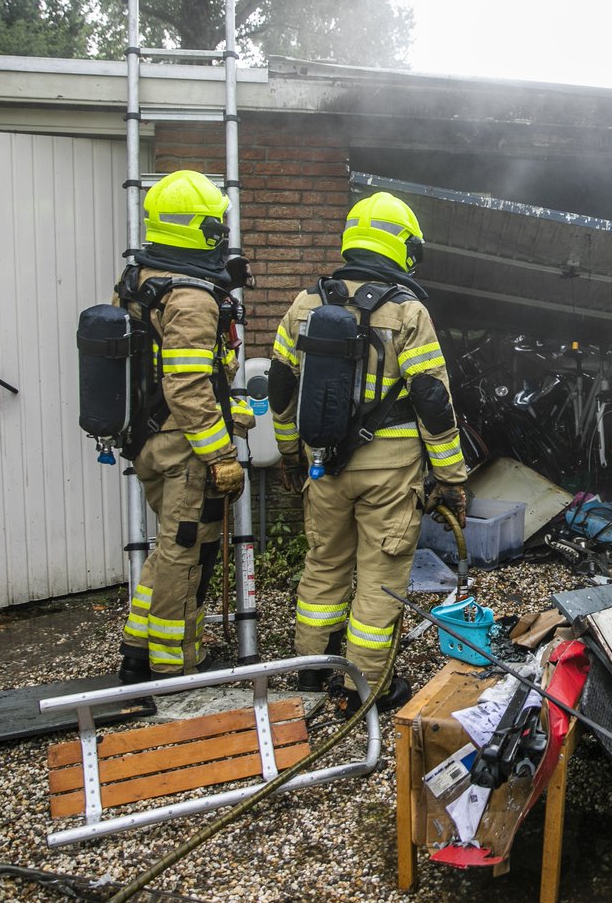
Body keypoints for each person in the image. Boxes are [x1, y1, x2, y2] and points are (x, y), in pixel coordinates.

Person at [268, 191, 469, 713]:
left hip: (323, 465)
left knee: (324, 564)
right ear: (402, 246)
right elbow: (432, 400)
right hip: (389, 472)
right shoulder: (407, 311)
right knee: (379, 577)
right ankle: (364, 688)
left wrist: (290, 454)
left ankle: (311, 671)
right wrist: (451, 477)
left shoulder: (306, 303)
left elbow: (281, 387)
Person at [115, 169, 252, 684]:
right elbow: (189, 386)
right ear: (198, 228)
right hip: (184, 446)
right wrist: (220, 454)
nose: (222, 234)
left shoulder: (142, 283)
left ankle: (137, 647)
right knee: (183, 554)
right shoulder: (192, 297)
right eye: (216, 225)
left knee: (170, 545)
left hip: (153, 439)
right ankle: (175, 667)